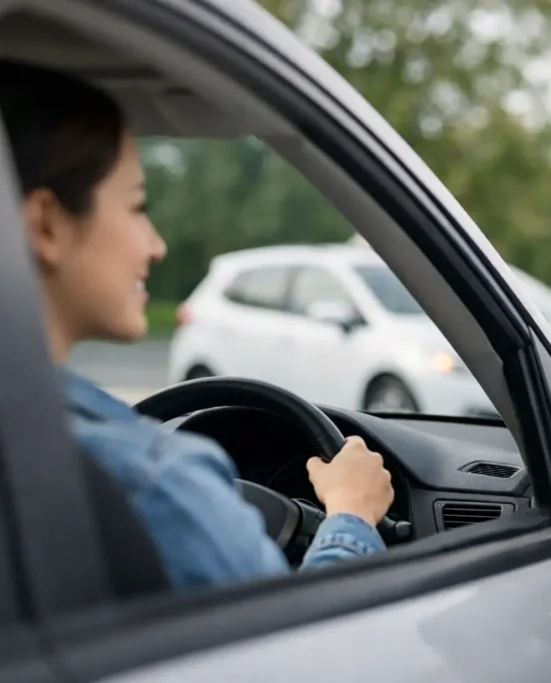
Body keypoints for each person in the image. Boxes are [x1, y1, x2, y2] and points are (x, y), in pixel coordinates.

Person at [0, 59, 395, 592]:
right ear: (47, 223)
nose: (156, 245)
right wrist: (351, 514)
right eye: (137, 207)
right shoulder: (152, 481)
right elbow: (310, 636)